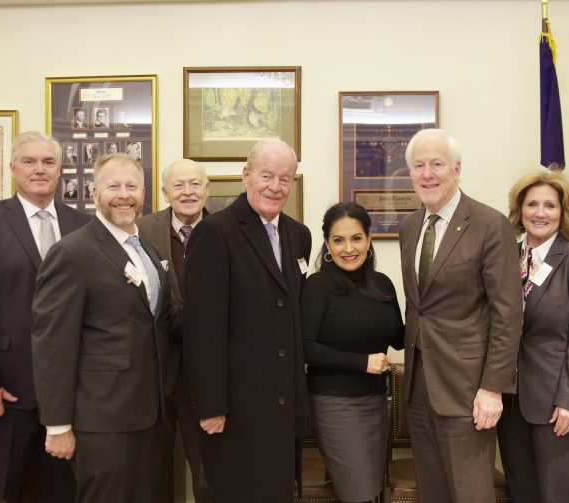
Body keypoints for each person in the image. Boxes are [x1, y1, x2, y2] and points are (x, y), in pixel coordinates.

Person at [32, 153, 178, 502]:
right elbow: (52, 344)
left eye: (132, 186)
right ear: (95, 193)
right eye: (113, 186)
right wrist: (57, 425)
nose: (123, 195)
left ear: (144, 193)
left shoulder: (146, 248)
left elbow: (159, 322)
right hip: (103, 421)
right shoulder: (72, 252)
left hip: (153, 415)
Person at [0, 131, 87, 502]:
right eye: (29, 161)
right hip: (6, 392)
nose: (39, 169)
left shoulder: (82, 225)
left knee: (63, 494)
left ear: (59, 169)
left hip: (71, 394)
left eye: (48, 162)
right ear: (13, 169)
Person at [183, 139, 311, 502]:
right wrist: (210, 406)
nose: (275, 187)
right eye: (266, 176)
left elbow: (291, 317)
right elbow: (202, 329)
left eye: (284, 179)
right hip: (235, 408)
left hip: (282, 406)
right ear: (246, 175)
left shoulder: (298, 235)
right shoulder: (215, 232)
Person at [398, 128, 521, 503]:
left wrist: (493, 388)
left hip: (468, 389)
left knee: (470, 493)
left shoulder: (489, 225)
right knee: (432, 492)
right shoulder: (409, 227)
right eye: (419, 166)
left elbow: (508, 314)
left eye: (437, 164)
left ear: (457, 169)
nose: (427, 174)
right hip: (419, 386)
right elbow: (419, 307)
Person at [496, 170, 569, 503]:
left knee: (557, 495)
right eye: (532, 204)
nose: (540, 213)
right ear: (519, 210)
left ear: (563, 212)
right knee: (522, 493)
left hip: (558, 403)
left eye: (550, 205)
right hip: (510, 402)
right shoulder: (505, 258)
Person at [302, 202, 404, 503]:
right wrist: (362, 363)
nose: (349, 248)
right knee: (359, 493)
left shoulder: (383, 284)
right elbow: (305, 347)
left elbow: (400, 338)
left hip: (376, 402)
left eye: (356, 238)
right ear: (327, 244)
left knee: (370, 491)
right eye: (338, 240)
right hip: (335, 404)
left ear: (369, 239)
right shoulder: (318, 286)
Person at [137, 158, 211, 503]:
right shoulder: (141, 230)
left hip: (207, 372)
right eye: (178, 185)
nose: (187, 192)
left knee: (208, 470)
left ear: (207, 189)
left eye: (195, 184)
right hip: (153, 367)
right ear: (165, 192)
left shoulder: (225, 230)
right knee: (149, 467)